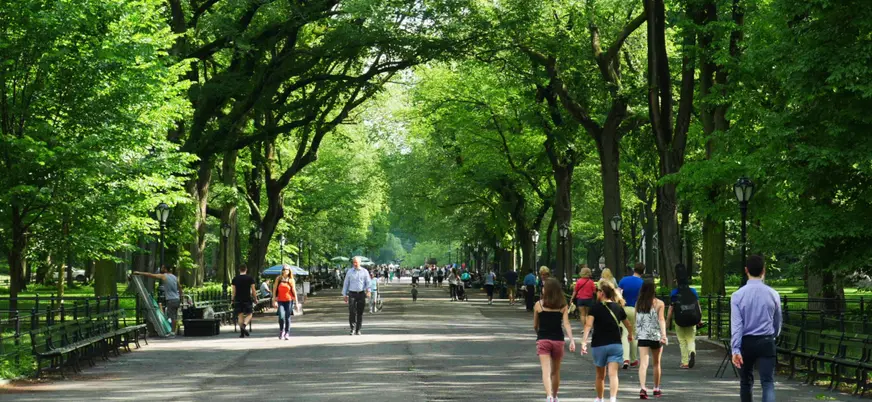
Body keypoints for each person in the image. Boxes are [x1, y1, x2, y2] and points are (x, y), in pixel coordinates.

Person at [731, 255, 781, 402]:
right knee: (768, 382)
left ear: (746, 270)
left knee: (746, 382)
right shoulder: (773, 294)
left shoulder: (737, 296)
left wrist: (735, 349)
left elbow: (737, 325)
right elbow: (777, 321)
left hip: (746, 343)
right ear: (763, 271)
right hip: (766, 340)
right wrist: (774, 336)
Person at [581, 280, 631, 402]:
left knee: (600, 375)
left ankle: (600, 398)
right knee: (613, 374)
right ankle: (613, 398)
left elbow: (588, 325)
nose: (596, 293)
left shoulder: (595, 308)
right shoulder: (618, 307)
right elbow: (628, 324)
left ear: (602, 293)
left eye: (598, 291)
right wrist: (630, 334)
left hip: (599, 345)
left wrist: (584, 342)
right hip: (615, 344)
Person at [534, 278, 576, 402]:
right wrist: (572, 339)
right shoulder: (562, 306)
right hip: (558, 339)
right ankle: (556, 395)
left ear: (546, 290)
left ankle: (549, 396)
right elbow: (566, 324)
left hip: (543, 339)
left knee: (545, 371)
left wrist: (538, 333)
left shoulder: (539, 305)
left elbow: (535, 325)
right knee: (556, 371)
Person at [634, 280, 668, 399]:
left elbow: (636, 318)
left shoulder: (638, 303)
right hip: (655, 335)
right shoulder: (659, 303)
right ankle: (656, 388)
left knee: (643, 363)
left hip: (642, 335)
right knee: (656, 363)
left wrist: (635, 332)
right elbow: (661, 319)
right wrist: (664, 335)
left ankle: (643, 387)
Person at [666, 264, 701, 368]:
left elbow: (671, 308)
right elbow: (697, 306)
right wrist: (699, 318)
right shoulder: (693, 291)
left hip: (680, 319)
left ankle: (685, 362)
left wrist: (668, 321)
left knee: (682, 341)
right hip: (692, 318)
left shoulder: (674, 293)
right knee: (690, 338)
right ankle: (692, 351)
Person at [132, 266, 183, 335]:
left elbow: (151, 275)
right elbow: (180, 287)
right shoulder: (174, 277)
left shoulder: (164, 276)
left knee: (171, 316)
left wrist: (139, 273)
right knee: (174, 315)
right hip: (176, 299)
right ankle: (173, 331)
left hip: (170, 299)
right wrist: (181, 296)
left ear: (165, 269)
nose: (160, 269)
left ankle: (172, 332)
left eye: (162, 268)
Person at [618, 263, 646, 368]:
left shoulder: (624, 280)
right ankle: (634, 359)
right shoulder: (642, 283)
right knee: (634, 333)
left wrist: (621, 302)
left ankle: (625, 358)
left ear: (634, 269)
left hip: (624, 308)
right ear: (643, 271)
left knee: (625, 333)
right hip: (636, 309)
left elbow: (618, 293)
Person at [342, 257, 372, 335]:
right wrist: (344, 294)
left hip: (361, 294)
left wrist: (368, 290)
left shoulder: (364, 271)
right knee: (352, 311)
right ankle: (352, 328)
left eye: (356, 262)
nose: (354, 264)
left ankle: (358, 329)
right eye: (353, 262)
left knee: (360, 312)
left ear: (360, 263)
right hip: (352, 294)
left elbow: (368, 282)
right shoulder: (350, 272)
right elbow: (346, 283)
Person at [231, 265, 257, 338]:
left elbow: (233, 291)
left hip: (238, 299)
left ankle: (242, 333)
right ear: (246, 269)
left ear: (239, 270)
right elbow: (253, 290)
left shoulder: (235, 279)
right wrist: (255, 298)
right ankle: (244, 325)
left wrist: (232, 300)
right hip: (247, 299)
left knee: (240, 315)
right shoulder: (250, 278)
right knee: (250, 314)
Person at [271, 266, 297, 340]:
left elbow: (294, 291)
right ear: (282, 271)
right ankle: (281, 330)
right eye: (284, 269)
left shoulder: (291, 280)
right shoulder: (278, 279)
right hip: (280, 300)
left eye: (287, 269)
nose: (286, 271)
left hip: (289, 300)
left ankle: (287, 332)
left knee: (287, 317)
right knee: (281, 316)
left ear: (289, 271)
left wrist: (297, 302)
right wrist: (274, 300)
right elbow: (274, 289)